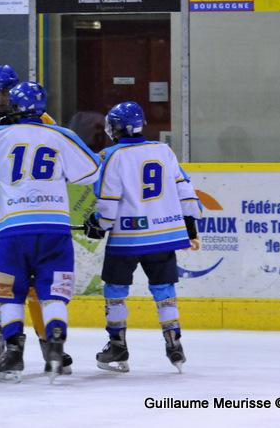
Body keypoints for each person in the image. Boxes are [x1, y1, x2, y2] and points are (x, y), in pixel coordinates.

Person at [0, 81, 101, 383]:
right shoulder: (61, 134)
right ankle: (55, 338)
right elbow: (91, 171)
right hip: (54, 227)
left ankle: (14, 352)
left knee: (9, 294)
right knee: (54, 293)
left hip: (12, 228)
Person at [0, 64, 71, 374]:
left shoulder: (43, 121)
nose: (0, 98)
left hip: (23, 211)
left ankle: (48, 343)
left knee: (35, 286)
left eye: (5, 92)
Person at [84, 101, 201, 374]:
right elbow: (185, 190)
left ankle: (117, 344)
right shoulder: (163, 150)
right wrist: (191, 228)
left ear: (116, 128)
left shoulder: (109, 156)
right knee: (164, 290)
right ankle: (174, 344)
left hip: (127, 237)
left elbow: (108, 204)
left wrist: (98, 224)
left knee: (115, 289)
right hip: (163, 235)